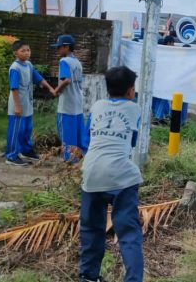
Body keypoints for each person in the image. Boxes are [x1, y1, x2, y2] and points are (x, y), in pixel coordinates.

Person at [79, 66, 143, 282]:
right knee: (128, 234)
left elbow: (86, 140)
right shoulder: (135, 110)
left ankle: (88, 277)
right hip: (122, 177)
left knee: (91, 231)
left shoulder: (97, 106)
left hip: (91, 174)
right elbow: (131, 143)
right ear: (130, 91)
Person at [5, 40, 55, 166]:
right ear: (15, 53)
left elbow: (38, 78)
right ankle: (11, 156)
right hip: (18, 104)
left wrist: (50, 88)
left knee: (27, 129)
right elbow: (14, 88)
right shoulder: (15, 68)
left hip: (27, 103)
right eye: (23, 50)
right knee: (17, 130)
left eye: (28, 50)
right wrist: (17, 106)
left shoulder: (28, 65)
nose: (27, 53)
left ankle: (26, 151)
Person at [53, 35, 86, 164]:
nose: (57, 51)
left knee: (66, 136)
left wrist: (56, 90)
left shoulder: (64, 61)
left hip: (66, 105)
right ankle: (78, 160)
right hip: (77, 104)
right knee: (77, 135)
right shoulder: (77, 62)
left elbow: (66, 80)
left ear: (66, 47)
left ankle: (69, 163)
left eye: (59, 47)